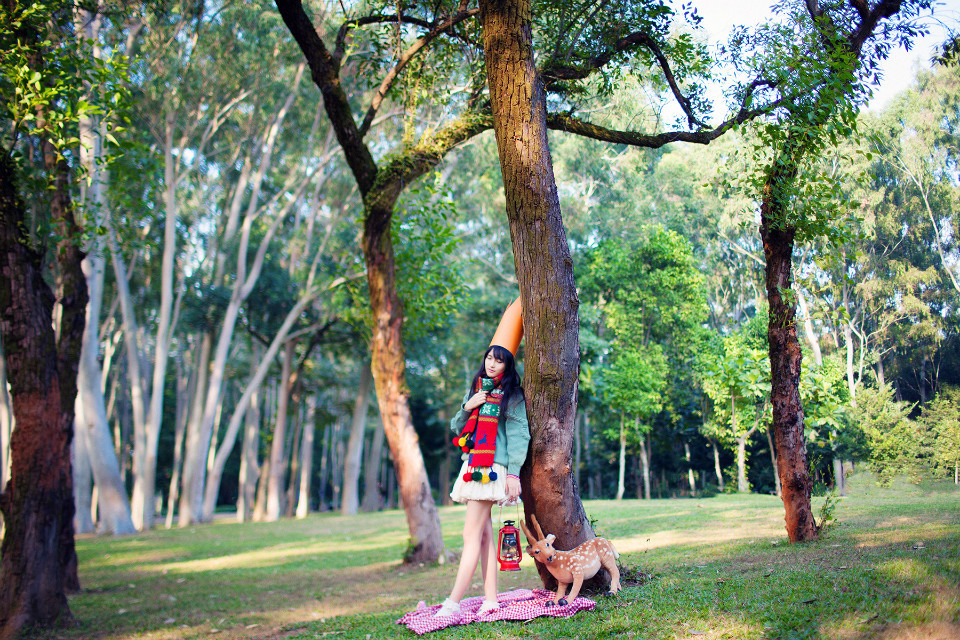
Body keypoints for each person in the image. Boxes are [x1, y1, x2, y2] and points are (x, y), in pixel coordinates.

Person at [434, 344, 530, 618]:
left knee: (470, 535)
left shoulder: (511, 395)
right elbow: (457, 426)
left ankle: (453, 603)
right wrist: (469, 405)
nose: (492, 364)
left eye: (499, 361)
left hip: (490, 469)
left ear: (507, 367)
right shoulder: (478, 388)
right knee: (485, 536)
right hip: (474, 463)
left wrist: (513, 473)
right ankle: (491, 600)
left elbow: (519, 435)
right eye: (489, 358)